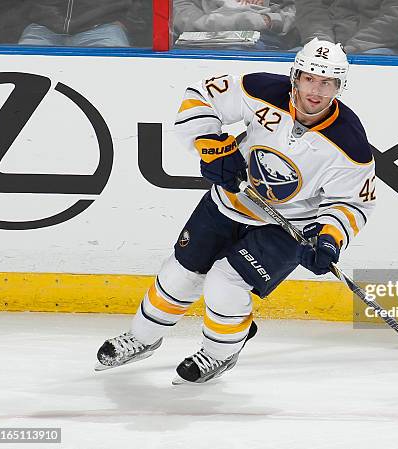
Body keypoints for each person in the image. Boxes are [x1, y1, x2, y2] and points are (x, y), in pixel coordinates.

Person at [96, 38, 376, 384]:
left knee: (225, 282)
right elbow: (200, 95)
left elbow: (351, 202)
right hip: (229, 200)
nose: (316, 90)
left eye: (327, 82)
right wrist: (211, 147)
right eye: (309, 78)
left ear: (340, 86)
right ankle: (142, 337)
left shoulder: (349, 142)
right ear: (295, 76)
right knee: (180, 274)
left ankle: (219, 354)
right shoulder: (261, 89)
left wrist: (330, 239)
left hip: (288, 225)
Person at [295, 0, 398, 55]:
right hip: (325, 44)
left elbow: (394, 19)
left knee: (372, 64)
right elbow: (309, 8)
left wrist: (349, 50)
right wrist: (323, 45)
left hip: (375, 47)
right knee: (292, 59)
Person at [173, 0, 298, 50]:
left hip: (273, 44)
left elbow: (304, 13)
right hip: (208, 47)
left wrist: (270, 19)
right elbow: (184, 18)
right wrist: (241, 21)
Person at [18, 0, 134, 47]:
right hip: (42, 26)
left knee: (110, 79)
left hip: (103, 27)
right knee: (22, 71)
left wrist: (130, 22)